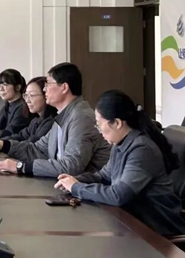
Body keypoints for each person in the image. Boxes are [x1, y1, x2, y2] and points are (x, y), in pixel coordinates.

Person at [55, 90, 185, 237]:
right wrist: (75, 180)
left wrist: (76, 187)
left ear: (117, 123)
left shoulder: (142, 149)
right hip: (133, 223)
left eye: (99, 124)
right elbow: (103, 176)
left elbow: (118, 195)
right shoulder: (121, 144)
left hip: (157, 232)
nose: (99, 130)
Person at [0, 62, 110, 177]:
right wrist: (3, 145)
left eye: (48, 84)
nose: (44, 89)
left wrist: (21, 167)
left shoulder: (81, 118)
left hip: (86, 187)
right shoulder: (62, 117)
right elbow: (38, 150)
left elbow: (70, 167)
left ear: (64, 88)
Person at [0, 76, 58, 163]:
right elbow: (20, 136)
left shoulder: (51, 122)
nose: (27, 100)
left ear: (46, 95)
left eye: (32, 95)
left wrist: (1, 145)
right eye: (26, 95)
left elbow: (31, 145)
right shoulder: (36, 120)